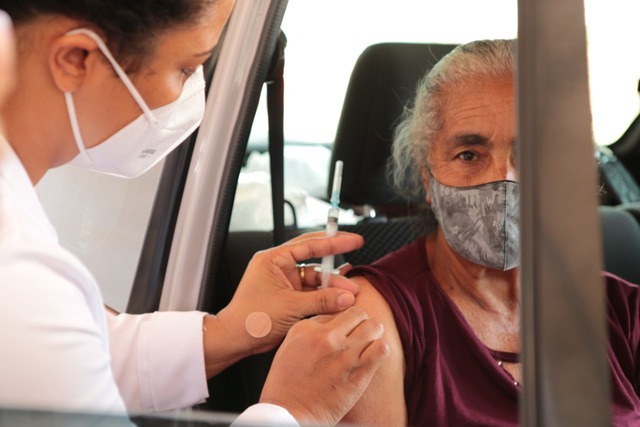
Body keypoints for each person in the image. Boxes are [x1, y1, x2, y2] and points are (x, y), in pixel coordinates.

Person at [0, 2, 389, 425]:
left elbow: (79, 353)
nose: (190, 97)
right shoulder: (20, 276)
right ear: (77, 59)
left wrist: (232, 330)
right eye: (186, 69)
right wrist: (296, 409)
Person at [340, 39, 640, 426]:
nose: (503, 179)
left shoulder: (622, 312)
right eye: (468, 154)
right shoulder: (378, 322)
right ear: (427, 178)